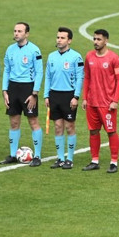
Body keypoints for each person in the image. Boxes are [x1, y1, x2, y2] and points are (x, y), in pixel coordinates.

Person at [0, 22, 44, 167]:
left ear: (27, 34)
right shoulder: (10, 50)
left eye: (19, 31)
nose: (16, 33)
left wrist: (34, 93)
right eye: (15, 31)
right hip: (13, 88)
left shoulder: (34, 50)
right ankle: (13, 154)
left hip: (28, 89)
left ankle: (37, 156)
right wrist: (5, 90)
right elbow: (6, 70)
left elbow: (39, 72)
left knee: (33, 121)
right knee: (14, 122)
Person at [81, 29, 119, 173]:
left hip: (107, 104)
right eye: (94, 39)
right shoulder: (89, 57)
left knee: (111, 132)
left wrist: (115, 100)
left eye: (99, 39)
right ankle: (94, 160)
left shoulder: (114, 58)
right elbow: (87, 77)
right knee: (93, 131)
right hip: (92, 102)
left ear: (106, 41)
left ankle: (114, 162)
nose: (95, 42)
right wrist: (85, 98)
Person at [44, 27, 84, 169]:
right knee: (58, 126)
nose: (59, 40)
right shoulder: (51, 56)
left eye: (62, 38)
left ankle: (70, 159)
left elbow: (80, 78)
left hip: (69, 95)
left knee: (70, 126)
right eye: (58, 37)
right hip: (54, 94)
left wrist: (76, 97)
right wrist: (46, 95)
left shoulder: (76, 57)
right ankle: (60, 158)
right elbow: (48, 76)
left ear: (69, 40)